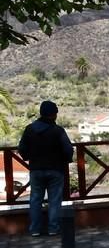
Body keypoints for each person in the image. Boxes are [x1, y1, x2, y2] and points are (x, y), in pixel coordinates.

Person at [17, 100, 73, 237]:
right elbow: (68, 149)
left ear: (41, 113)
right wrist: (65, 160)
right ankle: (53, 228)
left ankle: (35, 229)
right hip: (55, 169)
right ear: (54, 115)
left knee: (35, 199)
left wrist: (29, 157)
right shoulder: (58, 131)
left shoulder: (30, 129)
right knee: (54, 200)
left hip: (36, 169)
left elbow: (22, 149)